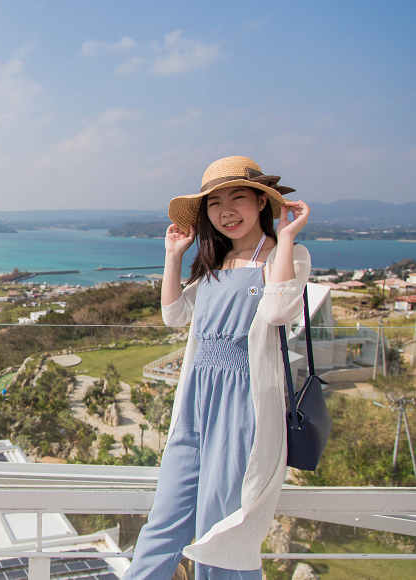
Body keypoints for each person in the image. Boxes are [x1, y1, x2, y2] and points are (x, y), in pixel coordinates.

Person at [124, 156, 311, 579]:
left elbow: (281, 308)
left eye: (238, 198)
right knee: (166, 513)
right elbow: (175, 315)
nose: (226, 211)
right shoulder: (213, 261)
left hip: (243, 404)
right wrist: (174, 255)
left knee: (219, 521)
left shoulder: (288, 254)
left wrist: (285, 238)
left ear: (262, 203)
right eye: (214, 203)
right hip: (194, 397)